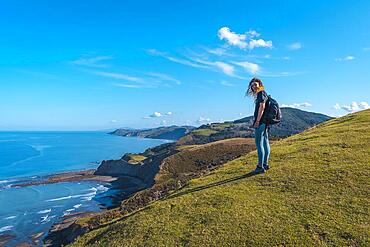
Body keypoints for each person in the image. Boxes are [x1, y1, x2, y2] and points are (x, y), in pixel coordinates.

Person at [246, 77, 270, 174]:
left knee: (259, 144)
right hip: (265, 122)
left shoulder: (261, 93)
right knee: (265, 142)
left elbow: (262, 107)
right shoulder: (263, 93)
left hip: (261, 122)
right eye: (252, 86)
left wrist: (257, 121)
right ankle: (265, 164)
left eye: (255, 85)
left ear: (259, 84)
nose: (253, 87)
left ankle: (260, 167)